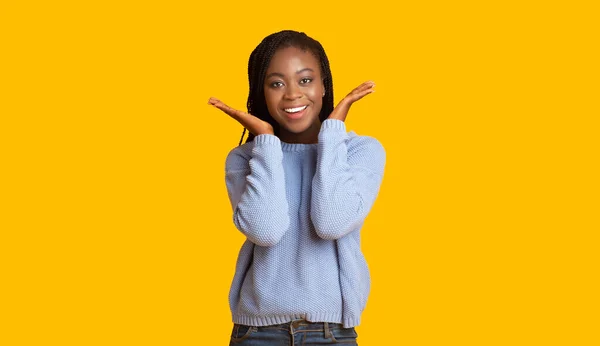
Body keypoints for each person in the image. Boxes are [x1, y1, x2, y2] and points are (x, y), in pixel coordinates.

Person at [208, 30, 386, 345]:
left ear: (324, 86)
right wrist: (264, 142)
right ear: (261, 92)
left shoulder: (360, 151)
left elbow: (332, 223)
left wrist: (333, 133)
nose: (291, 94)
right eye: (276, 83)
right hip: (257, 334)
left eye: (305, 80)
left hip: (332, 334)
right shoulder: (245, 158)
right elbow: (266, 231)